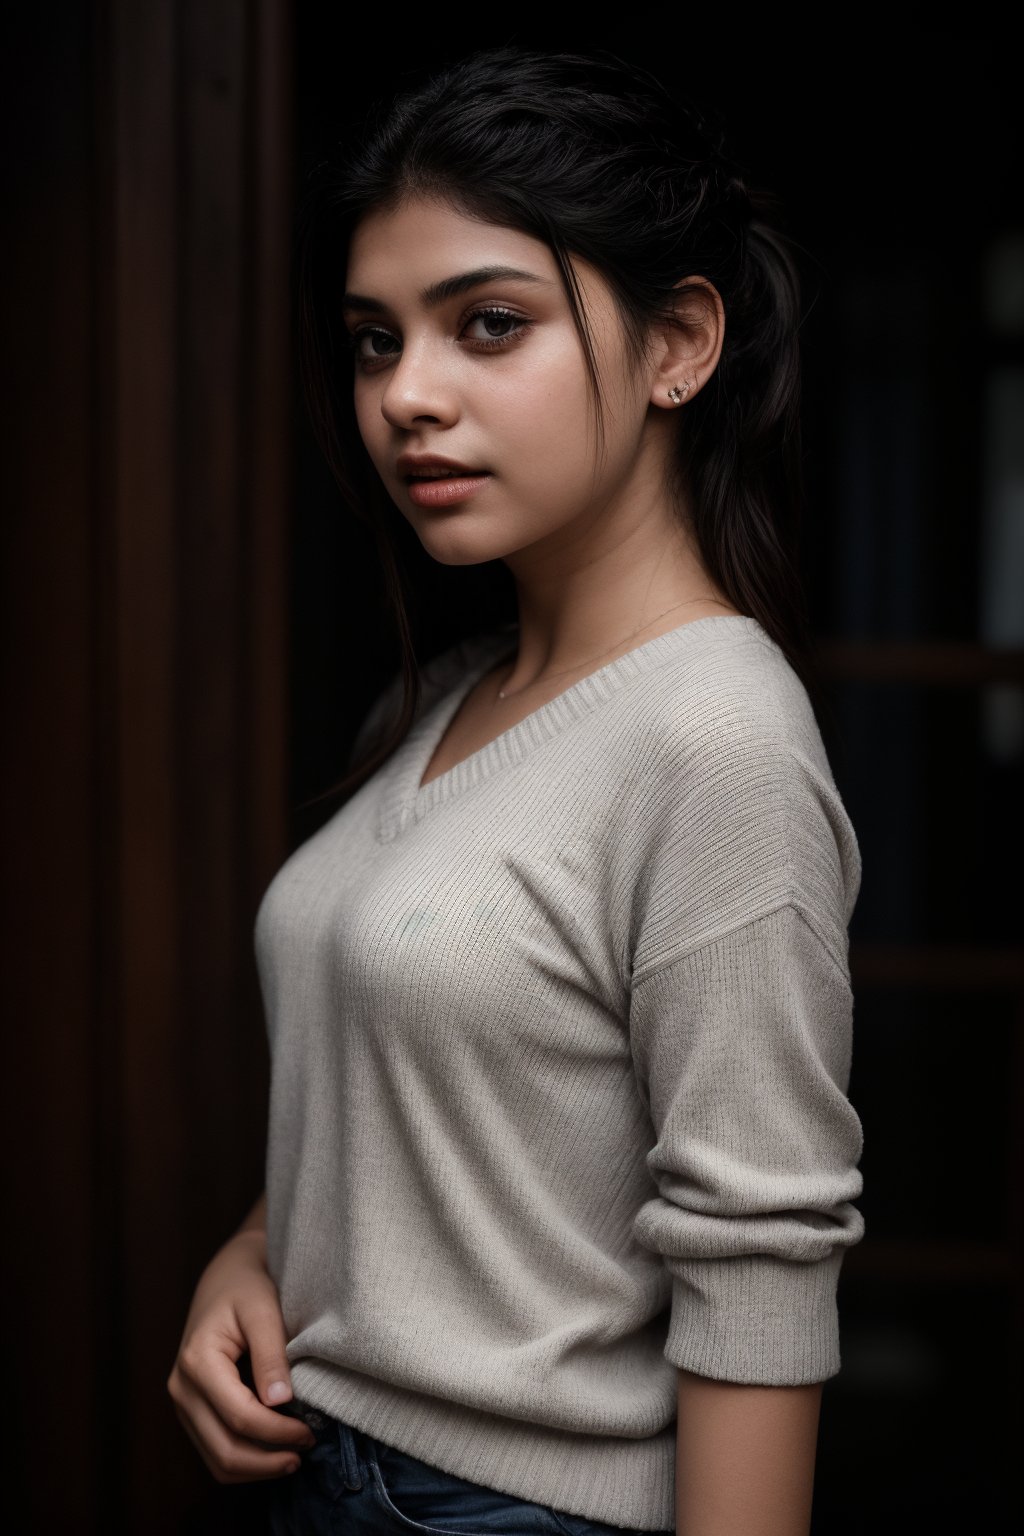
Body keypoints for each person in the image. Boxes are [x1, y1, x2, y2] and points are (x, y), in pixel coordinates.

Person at [168, 46, 865, 1536]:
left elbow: (759, 1262)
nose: (407, 395)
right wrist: (257, 1250)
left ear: (680, 344)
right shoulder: (431, 698)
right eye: (373, 341)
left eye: (488, 325)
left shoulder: (717, 739)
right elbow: (405, 1097)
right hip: (322, 1468)